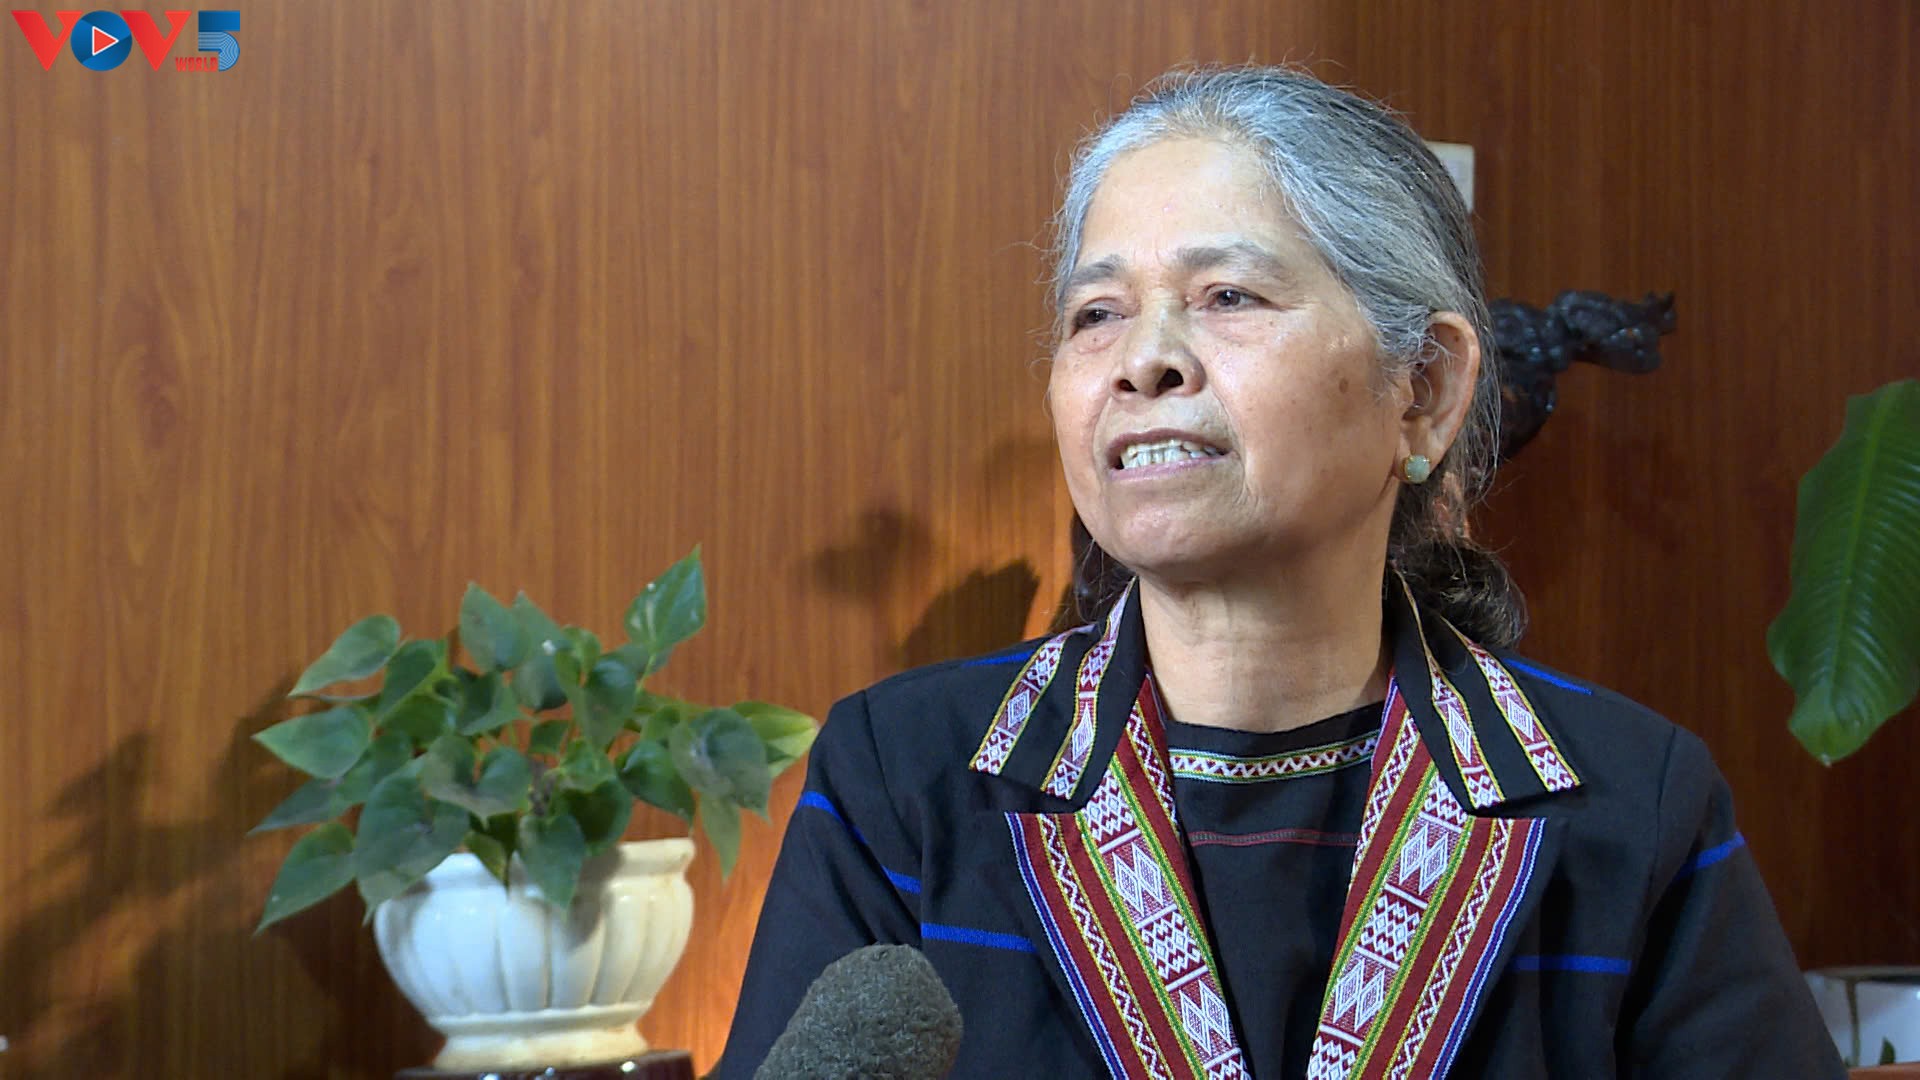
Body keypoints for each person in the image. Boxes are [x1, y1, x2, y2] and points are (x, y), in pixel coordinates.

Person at [717, 65, 1843, 1079]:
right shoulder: (902, 779)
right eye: (1097, 313)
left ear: (1424, 390)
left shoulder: (1633, 806)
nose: (1143, 361)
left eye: (1228, 297)